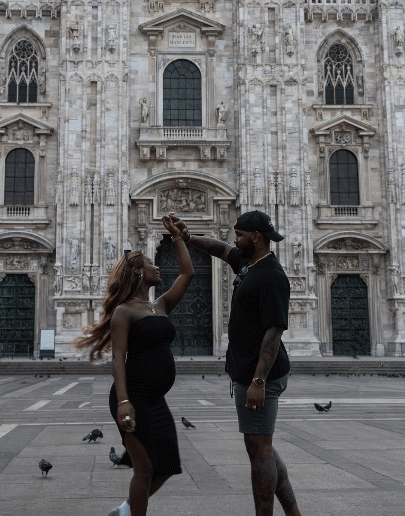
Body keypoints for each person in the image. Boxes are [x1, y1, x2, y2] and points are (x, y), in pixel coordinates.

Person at [180, 210, 302, 516]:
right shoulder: (248, 263)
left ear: (256, 237)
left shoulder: (271, 275)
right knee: (263, 447)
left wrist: (258, 382)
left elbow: (274, 332)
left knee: (260, 450)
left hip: (261, 376)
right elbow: (219, 250)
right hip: (246, 372)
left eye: (239, 235)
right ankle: (293, 512)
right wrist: (186, 237)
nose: (234, 240)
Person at [74, 212, 196, 516]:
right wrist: (124, 402)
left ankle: (125, 511)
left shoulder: (160, 305)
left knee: (167, 465)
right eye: (152, 263)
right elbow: (118, 357)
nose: (158, 266)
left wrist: (178, 239)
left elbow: (187, 274)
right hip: (133, 397)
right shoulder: (124, 312)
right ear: (139, 273)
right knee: (144, 468)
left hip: (155, 399)